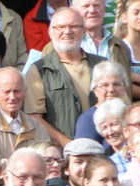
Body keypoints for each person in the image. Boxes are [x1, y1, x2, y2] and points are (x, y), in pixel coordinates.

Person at [24, 9, 94, 144]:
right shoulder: (38, 70)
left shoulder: (101, 65)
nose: (67, 31)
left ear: (84, 31)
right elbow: (34, 118)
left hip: (101, 150)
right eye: (61, 27)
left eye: (73, 26)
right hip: (60, 155)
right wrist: (68, 144)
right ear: (50, 32)